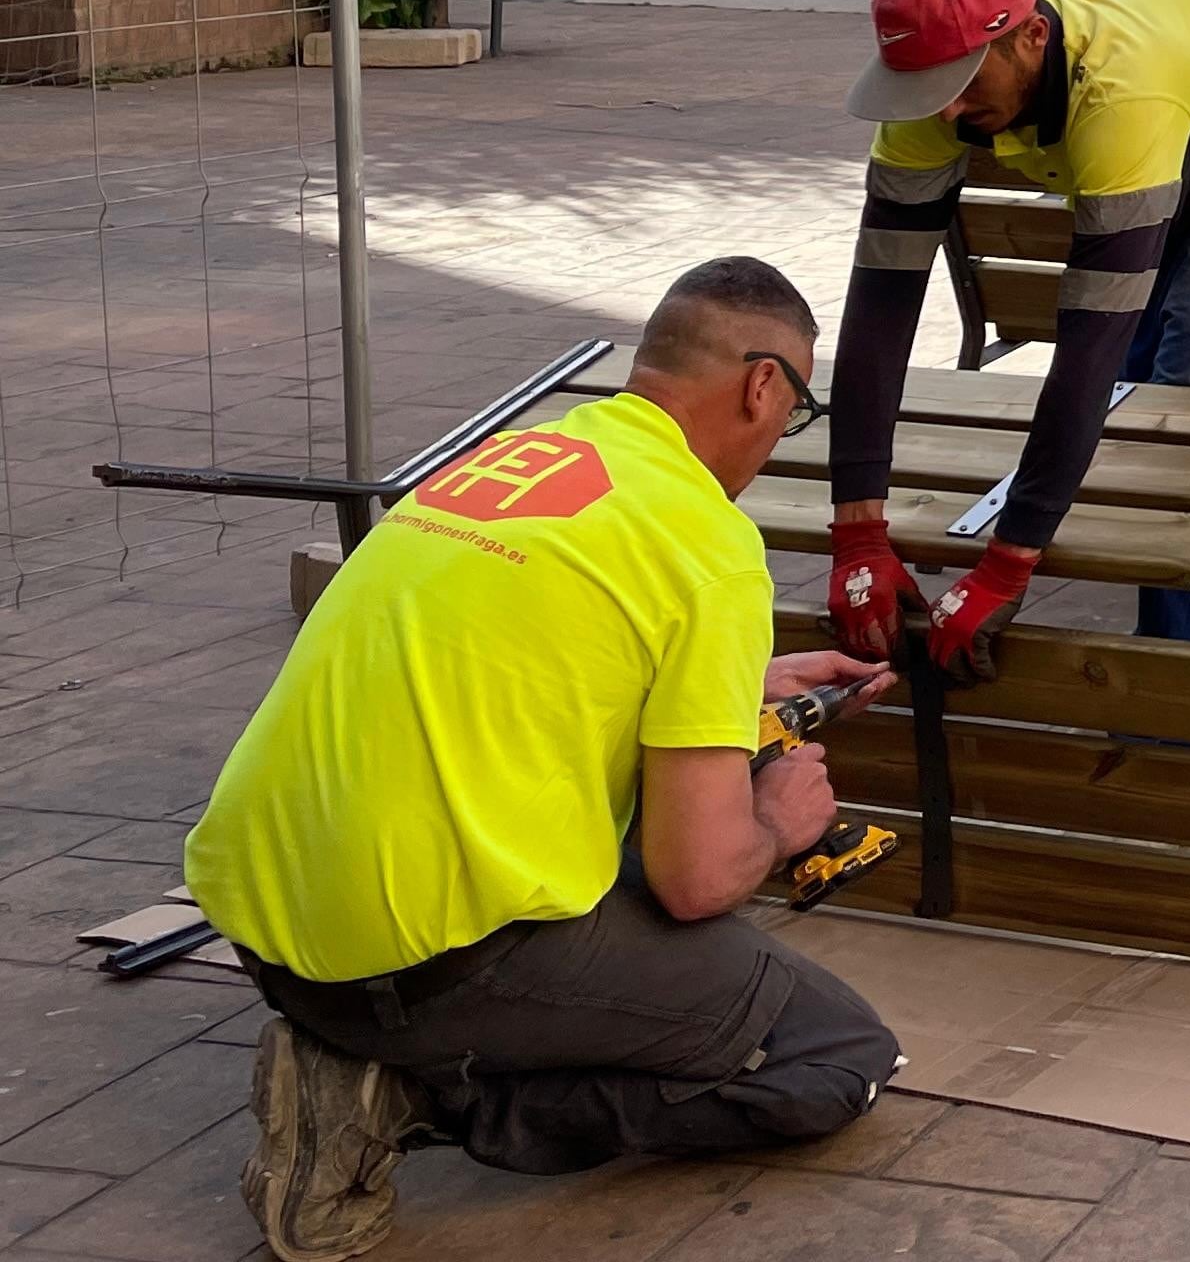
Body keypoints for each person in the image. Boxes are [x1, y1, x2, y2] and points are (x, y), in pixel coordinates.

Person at [188, 259, 901, 1262]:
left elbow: (555, 661)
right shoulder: (706, 539)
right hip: (422, 968)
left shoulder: (514, 458)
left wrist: (736, 685)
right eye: (795, 415)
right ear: (762, 387)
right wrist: (781, 824)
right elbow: (698, 881)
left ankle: (369, 1051)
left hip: (265, 927)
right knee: (834, 1056)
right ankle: (401, 1095)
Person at [831, 0, 1190, 657]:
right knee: (1130, 428)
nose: (944, 114)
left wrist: (1007, 564)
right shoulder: (936, 101)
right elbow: (879, 311)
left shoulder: (1123, 96)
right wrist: (855, 534)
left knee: (1189, 446)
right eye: (924, 89)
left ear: (1032, 36)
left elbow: (1086, 353)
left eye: (962, 84)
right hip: (1150, 139)